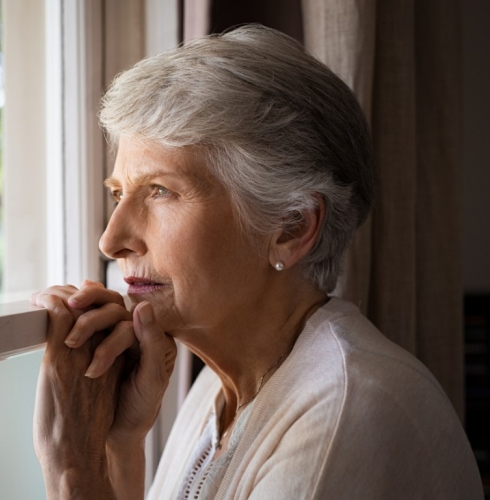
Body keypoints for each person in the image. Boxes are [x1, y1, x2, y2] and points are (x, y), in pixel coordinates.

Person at [30, 25, 483, 499]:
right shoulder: (217, 390)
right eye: (119, 194)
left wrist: (73, 471)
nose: (111, 240)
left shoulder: (345, 412)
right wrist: (120, 445)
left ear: (290, 228)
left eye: (161, 191)